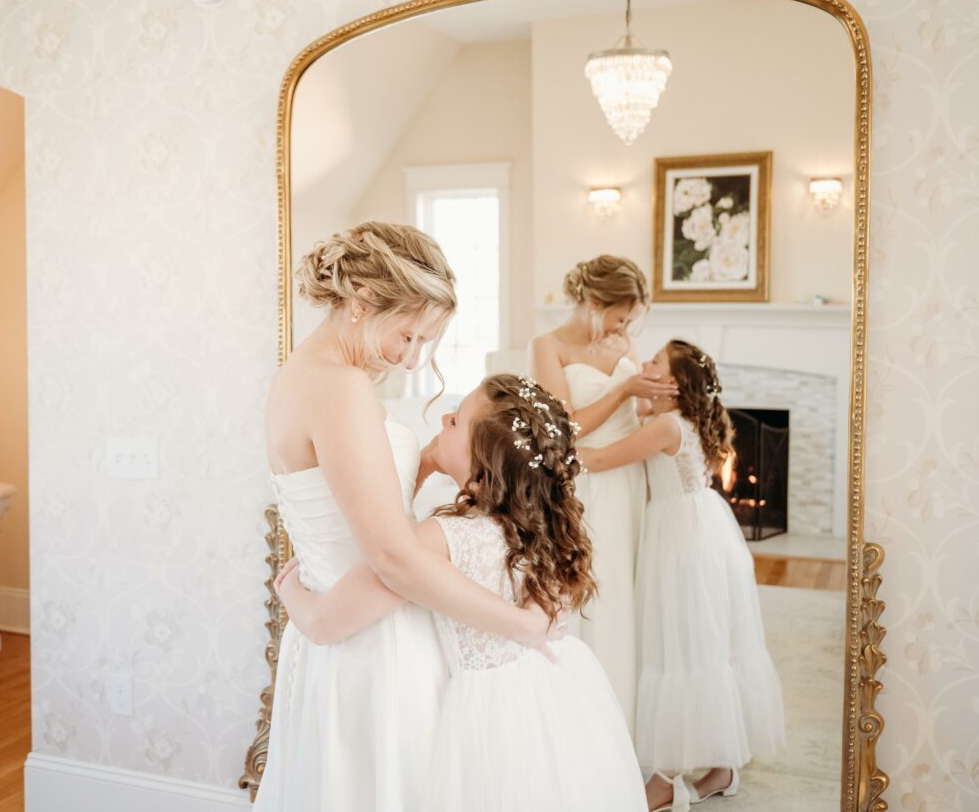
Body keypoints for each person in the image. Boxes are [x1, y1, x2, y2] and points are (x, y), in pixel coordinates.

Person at [257, 222, 562, 812]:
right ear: (362, 303)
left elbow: (348, 500)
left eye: (425, 342)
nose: (411, 357)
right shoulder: (341, 388)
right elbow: (393, 557)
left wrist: (419, 467)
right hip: (375, 645)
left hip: (339, 628)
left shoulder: (302, 375)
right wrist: (519, 624)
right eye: (409, 335)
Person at [276, 374, 647, 812]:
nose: (446, 416)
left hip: (485, 715)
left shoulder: (447, 538)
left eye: (457, 422)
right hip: (547, 697)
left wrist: (289, 592)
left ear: (481, 464)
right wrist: (433, 460)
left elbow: (331, 616)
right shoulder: (541, 530)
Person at [578, 340, 786, 811]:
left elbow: (604, 458)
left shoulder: (667, 425)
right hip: (697, 527)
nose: (643, 366)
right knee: (705, 642)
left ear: (673, 386)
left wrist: (545, 444)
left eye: (653, 363)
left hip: (683, 540)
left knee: (681, 645)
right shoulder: (673, 420)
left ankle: (668, 777)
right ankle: (721, 767)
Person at [528, 254, 676, 730]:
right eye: (619, 314)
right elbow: (561, 428)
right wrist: (625, 387)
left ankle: (630, 720)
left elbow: (640, 413)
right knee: (596, 598)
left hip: (631, 476)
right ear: (594, 303)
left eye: (630, 319)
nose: (623, 326)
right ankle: (588, 725)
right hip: (587, 483)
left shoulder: (624, 342)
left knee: (631, 594)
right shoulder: (546, 347)